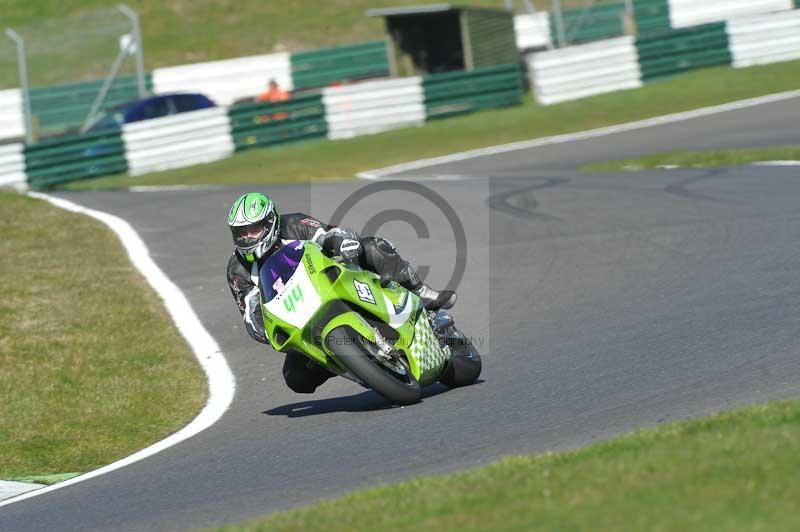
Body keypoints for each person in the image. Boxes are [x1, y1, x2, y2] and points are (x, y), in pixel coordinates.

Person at [226, 192, 456, 394]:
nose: (246, 238)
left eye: (252, 230)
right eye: (240, 233)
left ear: (270, 223)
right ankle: (348, 361)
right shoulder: (237, 270)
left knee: (374, 246)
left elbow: (330, 233)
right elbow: (250, 311)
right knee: (296, 379)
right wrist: (263, 329)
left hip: (332, 279)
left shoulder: (295, 224)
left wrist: (344, 242)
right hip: (300, 316)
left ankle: (421, 292)